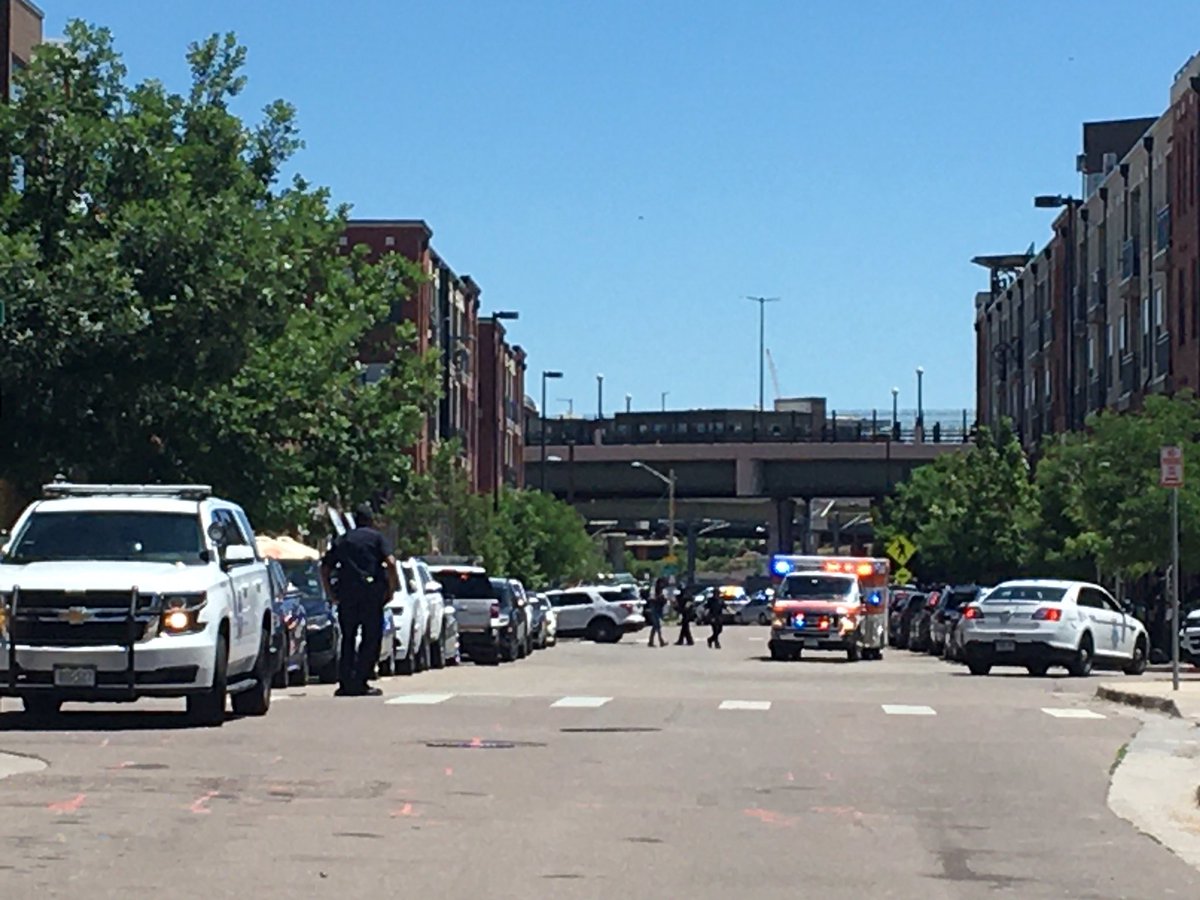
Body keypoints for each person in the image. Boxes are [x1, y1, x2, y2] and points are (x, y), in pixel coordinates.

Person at [319, 504, 400, 697]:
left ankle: (346, 682)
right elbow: (391, 562)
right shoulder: (377, 538)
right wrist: (391, 588)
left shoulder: (344, 539)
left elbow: (325, 568)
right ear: (371, 520)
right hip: (371, 595)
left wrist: (330, 593)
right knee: (371, 639)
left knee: (347, 638)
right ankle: (361, 680)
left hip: (347, 595)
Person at [647, 577, 668, 647]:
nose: (662, 584)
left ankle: (650, 641)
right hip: (654, 609)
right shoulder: (654, 590)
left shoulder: (661, 590)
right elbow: (651, 599)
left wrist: (663, 599)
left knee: (655, 626)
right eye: (661, 583)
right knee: (657, 625)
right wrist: (658, 597)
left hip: (658, 609)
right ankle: (661, 641)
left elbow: (663, 600)